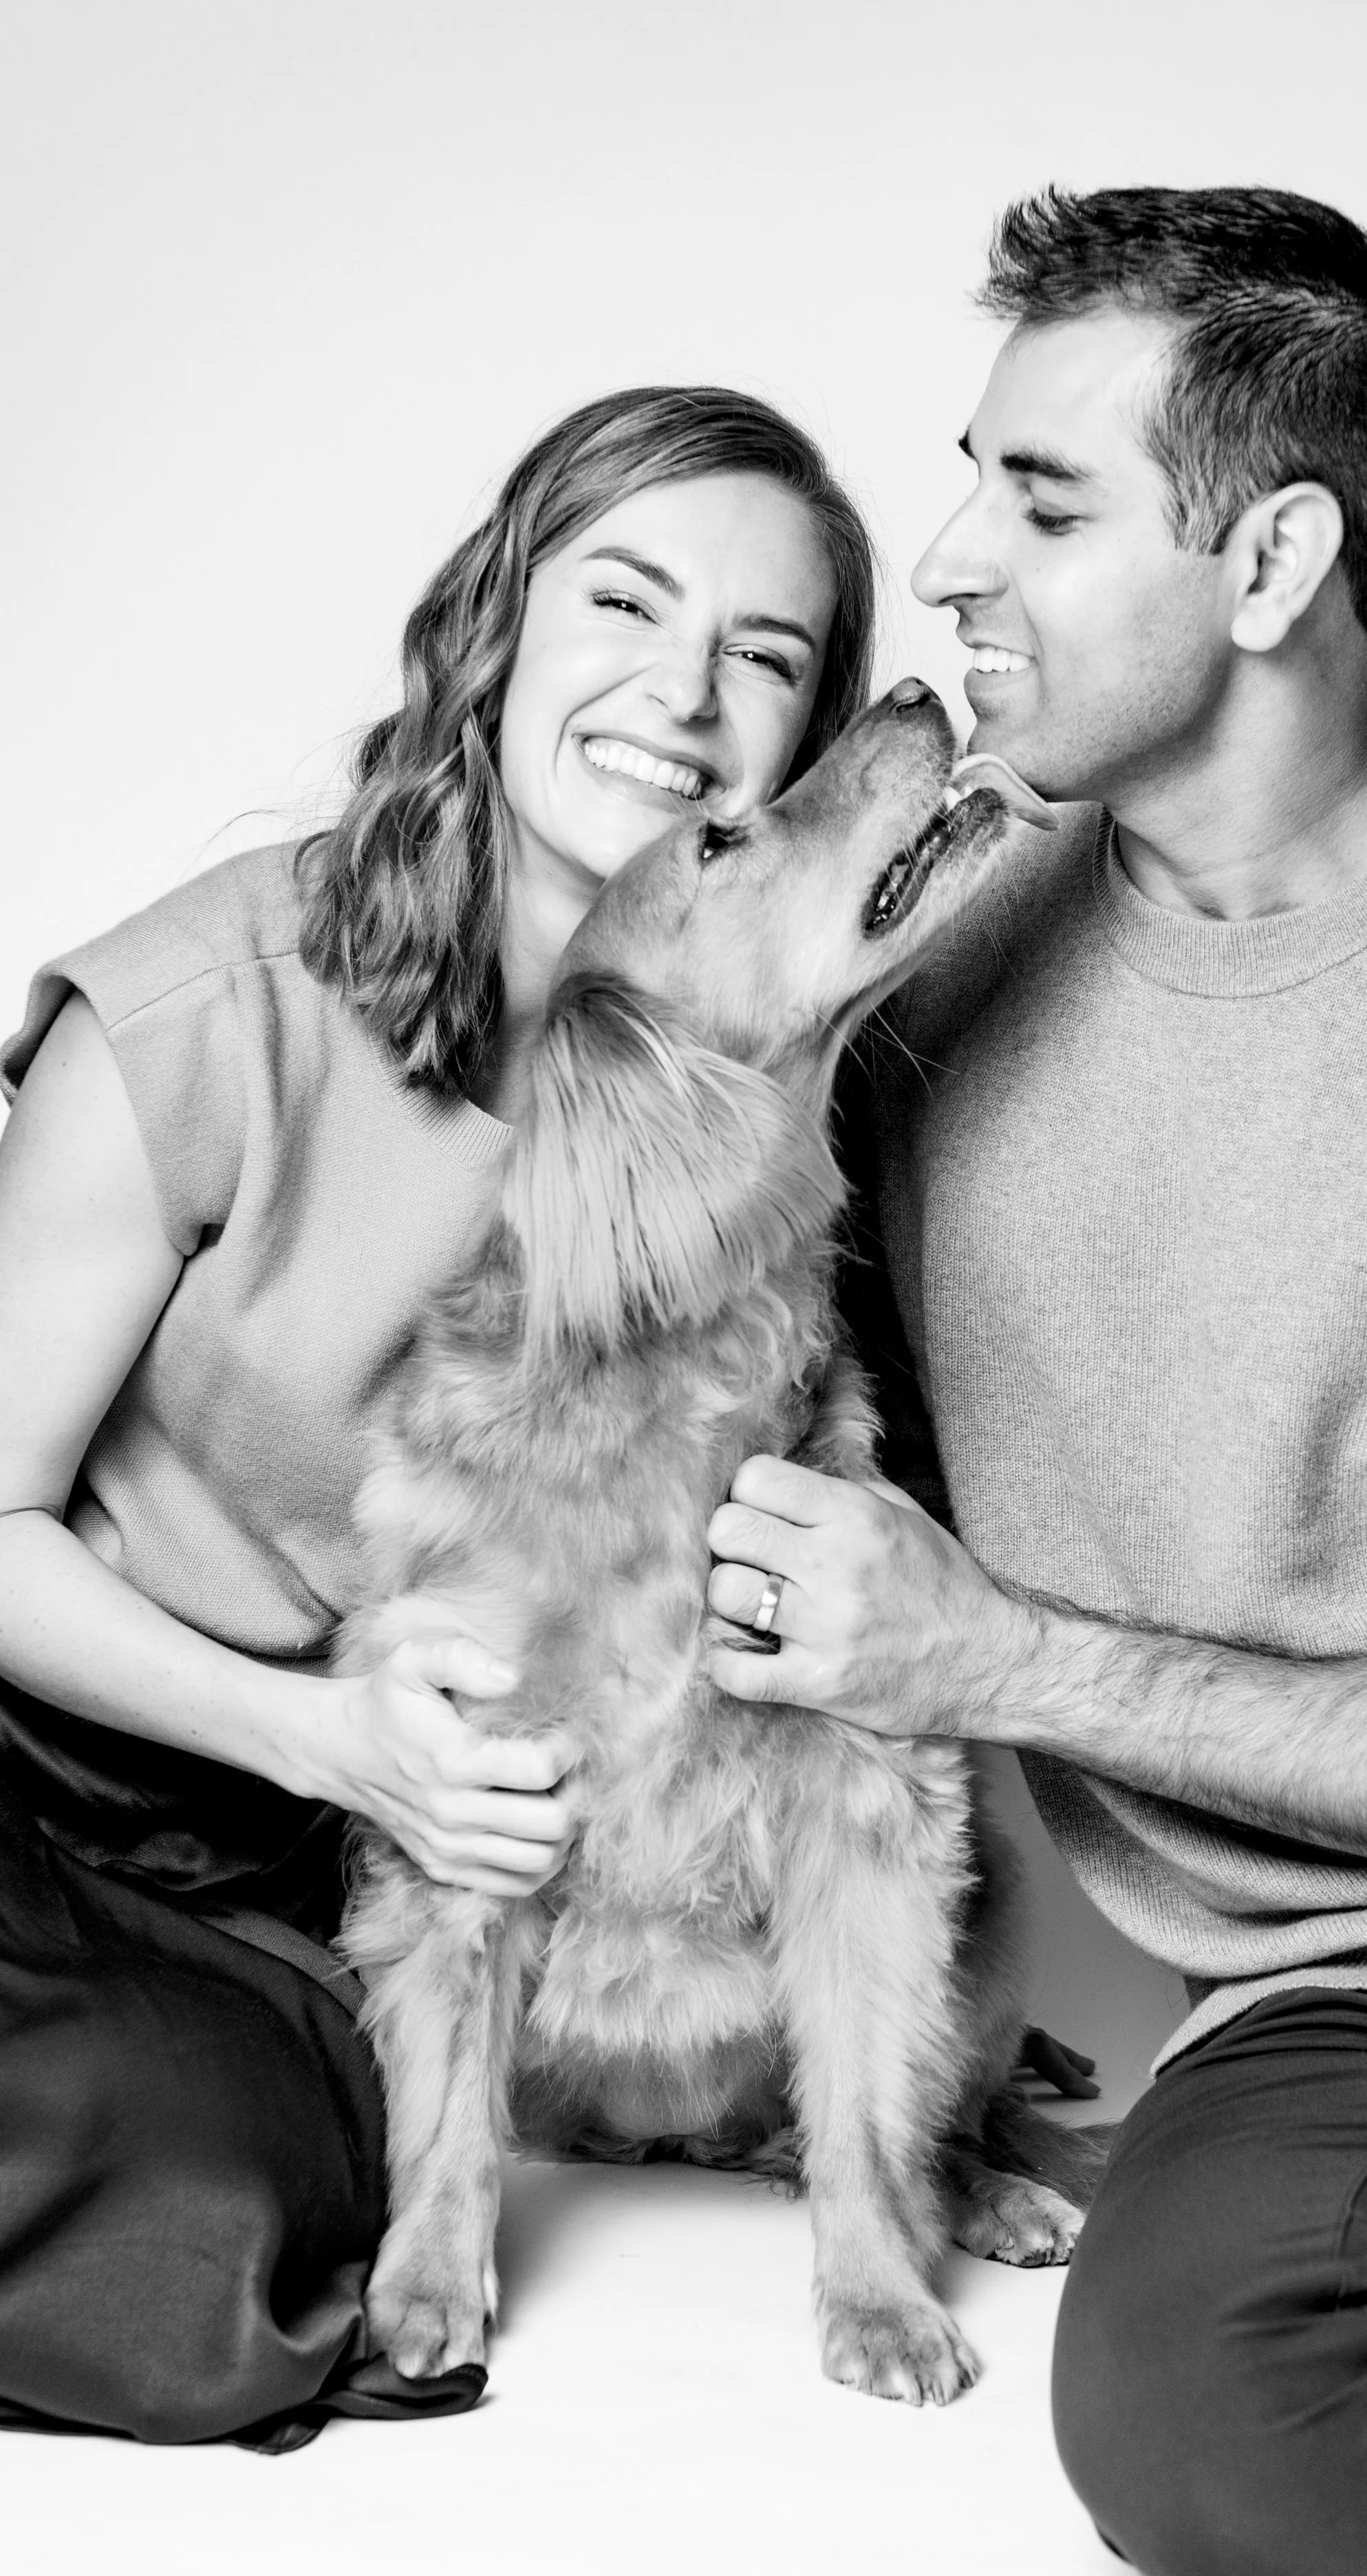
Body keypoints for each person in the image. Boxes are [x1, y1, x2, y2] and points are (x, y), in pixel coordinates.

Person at [704, 186, 1367, 2573]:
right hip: (1320, 2007)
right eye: (971, 476)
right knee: (1195, 2433)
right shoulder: (926, 969)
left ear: (1269, 563)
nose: (943, 559)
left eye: (1039, 503)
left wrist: (1001, 1655)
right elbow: (610, 1110)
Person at [0, 385, 876, 2448]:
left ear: (806, 754)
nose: (681, 693)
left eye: (761, 657)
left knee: (229, 2213)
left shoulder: (789, 1103)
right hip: (63, 1750)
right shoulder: (212, 1009)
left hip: (320, 1881)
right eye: (627, 601)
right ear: (496, 622)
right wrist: (316, 1728)